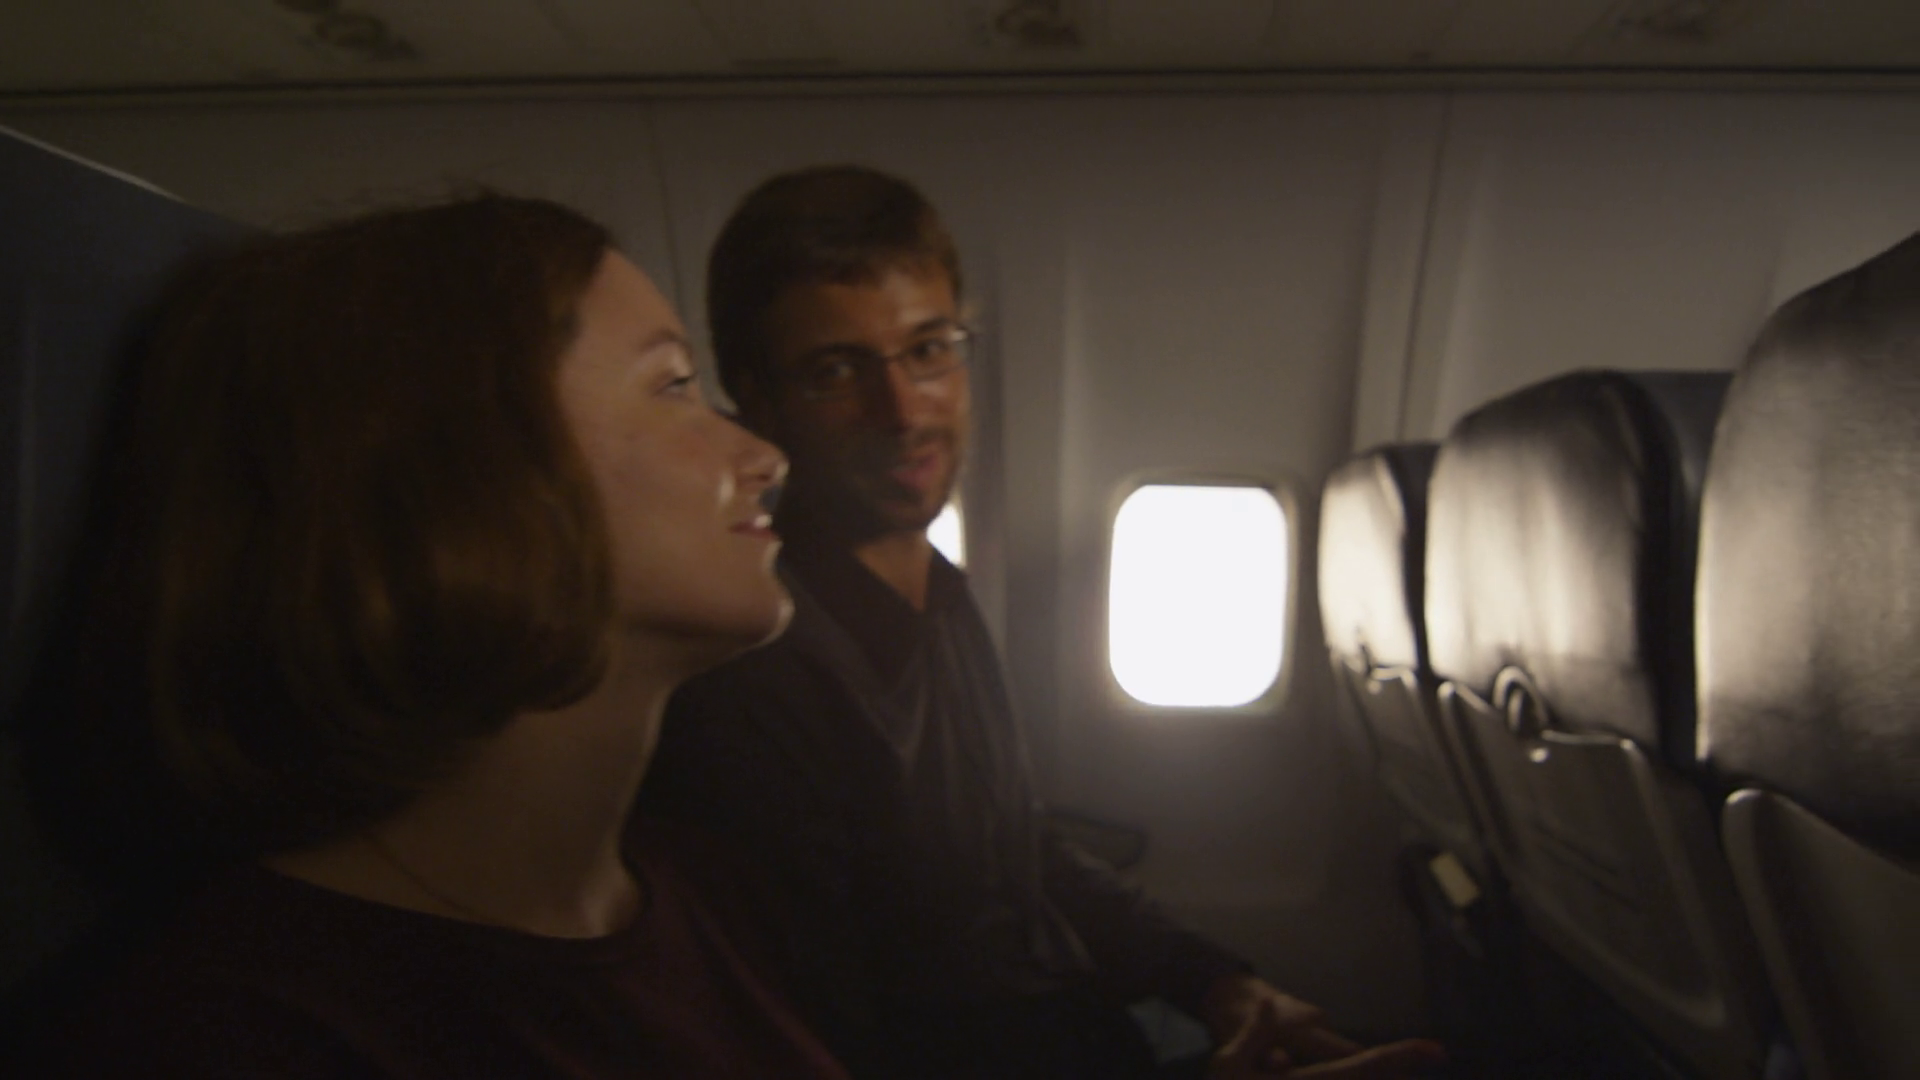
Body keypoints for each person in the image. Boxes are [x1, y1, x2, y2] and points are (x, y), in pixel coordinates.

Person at [640, 165, 1447, 1079]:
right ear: (755, 396)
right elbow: (840, 1040)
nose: (903, 409)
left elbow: (1019, 854)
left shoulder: (938, 593)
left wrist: (1215, 982)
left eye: (928, 349)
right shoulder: (757, 674)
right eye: (836, 371)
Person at [30, 195, 849, 1078]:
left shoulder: (703, 890)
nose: (766, 460)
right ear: (468, 471)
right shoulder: (227, 1035)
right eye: (673, 385)